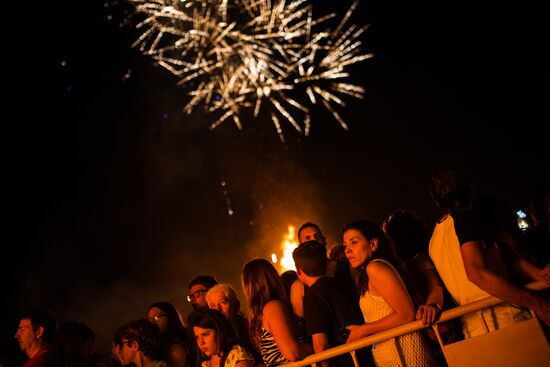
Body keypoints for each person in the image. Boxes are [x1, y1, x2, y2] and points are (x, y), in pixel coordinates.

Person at [428, 167, 550, 339]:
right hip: (506, 321)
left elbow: (502, 260)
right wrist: (539, 305)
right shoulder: (466, 218)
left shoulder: (435, 238)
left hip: (473, 331)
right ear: (469, 187)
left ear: (437, 201)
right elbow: (476, 273)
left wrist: (539, 274)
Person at [343, 220, 436, 366]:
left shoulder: (375, 267)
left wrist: (363, 330)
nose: (347, 250)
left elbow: (406, 314)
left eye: (353, 242)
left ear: (373, 244)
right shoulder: (369, 272)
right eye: (345, 246)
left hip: (407, 356)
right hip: (394, 357)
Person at [292, 241, 373, 367]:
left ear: (299, 271)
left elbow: (321, 346)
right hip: (364, 357)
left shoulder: (312, 296)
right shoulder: (338, 285)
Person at [241, 258, 311, 367]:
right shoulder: (273, 307)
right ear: (271, 277)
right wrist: (314, 346)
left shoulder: (263, 312)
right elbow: (293, 353)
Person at [205, 284, 261, 365]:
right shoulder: (213, 335)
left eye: (222, 303)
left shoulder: (251, 328)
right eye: (213, 306)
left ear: (236, 305)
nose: (218, 309)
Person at [147, 301, 193, 367]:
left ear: (170, 317)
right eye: (149, 319)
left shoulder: (175, 348)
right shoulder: (160, 343)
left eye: (157, 316)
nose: (152, 322)